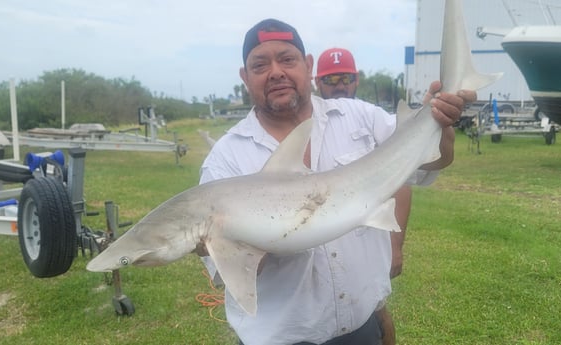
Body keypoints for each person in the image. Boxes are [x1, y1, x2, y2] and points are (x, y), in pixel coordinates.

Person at [199, 18, 476, 345]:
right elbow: (231, 275)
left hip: (363, 329)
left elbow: (430, 163)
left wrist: (441, 123)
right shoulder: (226, 159)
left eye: (287, 59)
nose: (276, 72)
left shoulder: (360, 118)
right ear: (245, 78)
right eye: (260, 64)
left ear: (308, 65)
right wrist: (223, 242)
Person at [315, 47, 408, 345]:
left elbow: (402, 182)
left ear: (356, 80)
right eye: (330, 79)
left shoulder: (371, 118)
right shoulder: (308, 124)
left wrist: (396, 245)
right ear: (317, 82)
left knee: (377, 316)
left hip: (366, 254)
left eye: (346, 77)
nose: (339, 85)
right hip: (318, 261)